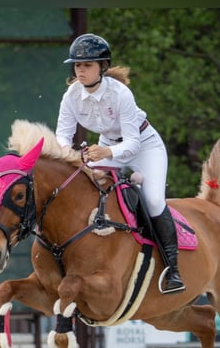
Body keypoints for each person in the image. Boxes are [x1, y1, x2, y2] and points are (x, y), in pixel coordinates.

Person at [54, 33, 185, 294]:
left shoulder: (121, 94)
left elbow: (133, 144)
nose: (81, 70)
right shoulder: (71, 95)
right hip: (108, 146)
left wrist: (106, 152)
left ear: (102, 66)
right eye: (77, 65)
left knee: (155, 201)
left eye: (87, 65)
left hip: (144, 146)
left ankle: (173, 269)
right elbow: (62, 135)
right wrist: (69, 155)